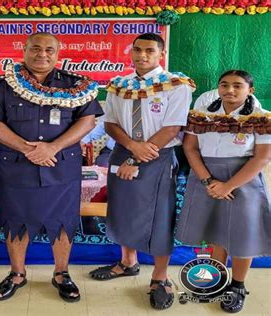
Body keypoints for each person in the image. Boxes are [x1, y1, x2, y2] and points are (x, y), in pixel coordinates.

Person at [0, 32, 103, 303]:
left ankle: (61, 274)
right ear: (24, 50)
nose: (42, 54)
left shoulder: (75, 85)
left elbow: (88, 122)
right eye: (35, 48)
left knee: (63, 222)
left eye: (49, 49)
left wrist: (52, 148)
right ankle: (17, 274)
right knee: (15, 221)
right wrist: (29, 150)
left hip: (61, 166)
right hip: (17, 167)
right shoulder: (5, 85)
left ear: (58, 53)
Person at [89, 33, 194, 310]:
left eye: (149, 50)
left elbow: (173, 128)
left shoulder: (176, 84)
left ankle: (160, 277)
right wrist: (132, 148)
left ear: (161, 52)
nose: (142, 55)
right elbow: (110, 124)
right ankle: (128, 262)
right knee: (122, 208)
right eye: (137, 50)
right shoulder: (118, 84)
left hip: (157, 155)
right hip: (124, 150)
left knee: (159, 214)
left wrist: (137, 158)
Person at [176, 70, 271, 313]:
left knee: (242, 234)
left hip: (243, 181)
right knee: (216, 231)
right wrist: (208, 181)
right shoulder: (202, 116)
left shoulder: (261, 118)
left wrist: (229, 186)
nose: (229, 90)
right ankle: (217, 280)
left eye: (237, 86)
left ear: (250, 90)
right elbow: (190, 148)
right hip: (205, 178)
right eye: (224, 85)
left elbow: (262, 158)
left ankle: (237, 285)